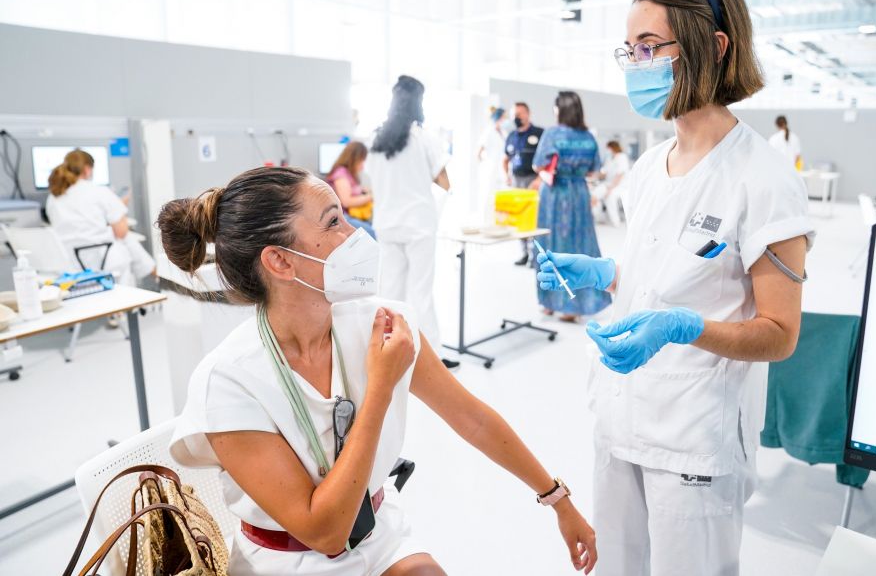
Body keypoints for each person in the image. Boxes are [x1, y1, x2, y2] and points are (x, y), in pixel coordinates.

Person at [157, 166, 597, 576]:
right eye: (333, 223)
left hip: (377, 532)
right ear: (280, 262)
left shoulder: (381, 324)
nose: (355, 236)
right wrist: (381, 387)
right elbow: (323, 532)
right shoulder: (229, 382)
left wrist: (557, 499)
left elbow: (473, 419)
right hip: (287, 558)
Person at [537, 0, 814, 575]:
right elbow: (658, 275)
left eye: (650, 48)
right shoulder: (650, 166)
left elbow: (780, 332)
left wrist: (683, 328)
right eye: (629, 49)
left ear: (712, 47)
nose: (635, 63)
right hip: (619, 416)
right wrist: (603, 272)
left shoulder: (763, 180)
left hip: (694, 440)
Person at [366, 75, 458, 369]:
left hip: (387, 224)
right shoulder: (424, 139)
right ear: (418, 102)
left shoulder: (376, 141)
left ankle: (387, 349)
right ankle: (429, 358)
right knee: (420, 290)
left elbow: (371, 181)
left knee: (391, 288)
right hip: (418, 224)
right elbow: (444, 182)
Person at [534, 92, 612, 323]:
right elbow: (594, 170)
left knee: (548, 245)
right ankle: (573, 307)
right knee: (580, 246)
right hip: (578, 194)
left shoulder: (552, 134)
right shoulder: (588, 137)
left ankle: (549, 303)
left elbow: (538, 164)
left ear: (560, 110)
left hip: (555, 195)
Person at [46, 149, 156, 286]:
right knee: (128, 240)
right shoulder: (98, 191)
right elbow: (121, 232)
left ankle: (154, 272)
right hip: (101, 259)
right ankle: (155, 274)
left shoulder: (53, 198)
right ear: (87, 169)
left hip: (69, 264)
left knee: (124, 241)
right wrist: (119, 210)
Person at [503, 102, 544, 266]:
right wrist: (507, 175)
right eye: (514, 114)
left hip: (533, 181)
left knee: (533, 219)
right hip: (517, 181)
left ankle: (536, 256)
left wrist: (540, 179)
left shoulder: (539, 133)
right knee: (519, 219)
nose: (517, 117)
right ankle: (524, 254)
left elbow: (548, 160)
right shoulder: (511, 136)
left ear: (528, 114)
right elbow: (505, 159)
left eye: (520, 113)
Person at [325, 141, 376, 238]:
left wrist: (364, 191)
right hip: (342, 217)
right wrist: (371, 196)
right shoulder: (340, 173)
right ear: (354, 158)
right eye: (362, 161)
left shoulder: (349, 173)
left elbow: (354, 189)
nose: (363, 165)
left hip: (350, 215)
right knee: (373, 234)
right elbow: (347, 201)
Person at [475, 107, 508, 225]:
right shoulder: (489, 131)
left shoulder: (503, 132)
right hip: (490, 168)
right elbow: (478, 153)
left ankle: (497, 222)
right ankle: (484, 222)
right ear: (498, 117)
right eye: (504, 117)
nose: (506, 119)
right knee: (487, 196)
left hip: (500, 169)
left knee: (499, 196)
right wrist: (485, 165)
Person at [591, 140, 631, 227]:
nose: (607, 150)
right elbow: (603, 172)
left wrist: (610, 189)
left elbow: (620, 174)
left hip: (621, 185)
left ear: (613, 148)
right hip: (608, 184)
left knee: (610, 197)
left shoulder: (622, 157)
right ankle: (597, 218)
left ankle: (616, 222)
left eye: (608, 148)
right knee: (594, 194)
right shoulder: (609, 159)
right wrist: (593, 175)